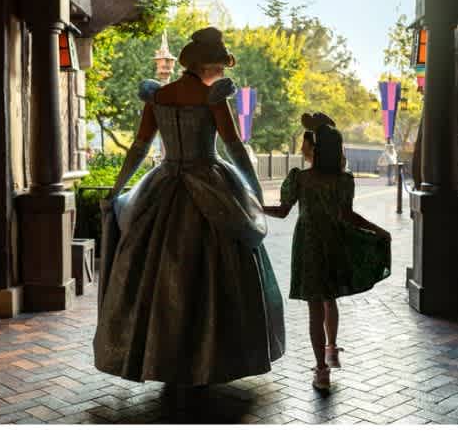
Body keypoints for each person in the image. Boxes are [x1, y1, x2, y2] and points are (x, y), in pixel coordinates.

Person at [94, 27, 285, 387]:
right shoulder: (213, 97)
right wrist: (255, 190)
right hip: (209, 182)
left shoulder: (159, 96)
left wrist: (118, 189)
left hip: (163, 185)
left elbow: (138, 148)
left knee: (153, 272)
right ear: (208, 64)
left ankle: (165, 356)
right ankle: (207, 358)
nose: (222, 72)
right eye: (220, 64)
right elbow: (235, 147)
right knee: (215, 273)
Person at [264, 113, 392, 391]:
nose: (301, 149)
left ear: (314, 149)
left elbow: (283, 212)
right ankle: (331, 348)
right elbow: (348, 215)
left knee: (314, 308)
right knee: (329, 298)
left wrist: (254, 207)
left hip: (308, 243)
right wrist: (377, 230)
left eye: (304, 144)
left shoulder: (300, 179)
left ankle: (321, 370)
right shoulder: (343, 180)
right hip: (334, 240)